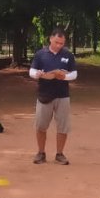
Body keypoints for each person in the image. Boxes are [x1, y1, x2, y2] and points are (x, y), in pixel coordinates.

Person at [30, 27, 78, 166]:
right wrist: (37, 74)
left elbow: (74, 74)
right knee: (41, 126)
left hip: (62, 96)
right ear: (51, 38)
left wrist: (64, 77)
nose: (59, 45)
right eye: (56, 42)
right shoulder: (40, 54)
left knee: (63, 127)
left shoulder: (68, 55)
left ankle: (60, 154)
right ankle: (41, 153)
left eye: (61, 43)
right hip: (44, 95)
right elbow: (32, 70)